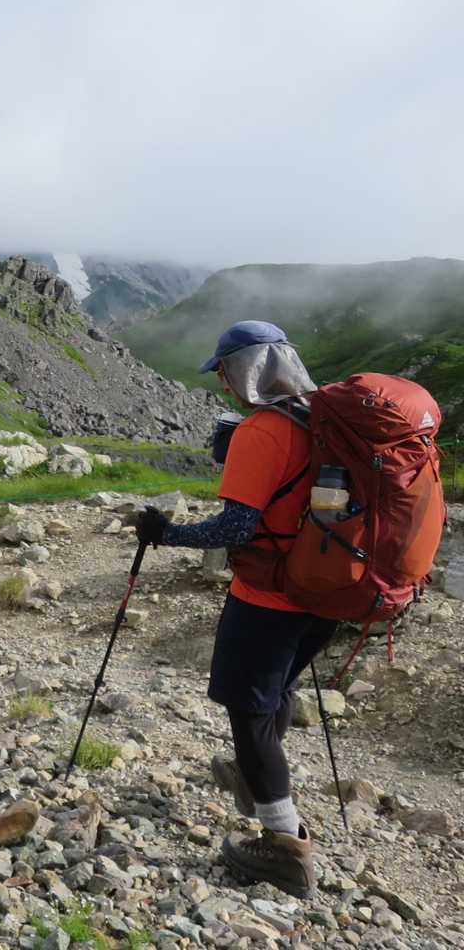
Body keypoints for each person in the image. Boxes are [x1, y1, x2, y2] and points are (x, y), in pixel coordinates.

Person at [135, 320, 333, 900]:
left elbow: (236, 527)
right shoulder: (323, 418)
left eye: (224, 371)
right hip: (328, 590)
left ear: (244, 371)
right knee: (277, 691)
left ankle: (285, 846)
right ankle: (255, 779)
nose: (222, 383)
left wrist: (165, 534)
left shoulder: (263, 430)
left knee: (247, 712)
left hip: (269, 595)